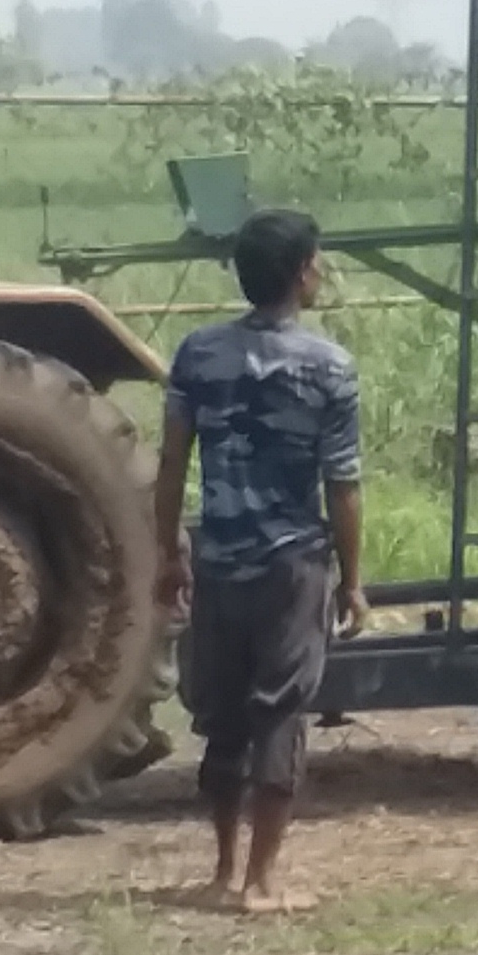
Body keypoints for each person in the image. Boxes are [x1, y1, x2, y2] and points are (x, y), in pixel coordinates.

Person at [153, 206, 365, 912]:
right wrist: (354, 583)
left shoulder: (197, 355)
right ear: (302, 273)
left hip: (218, 561)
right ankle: (263, 882)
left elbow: (172, 466)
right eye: (318, 262)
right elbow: (343, 485)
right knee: (279, 712)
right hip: (291, 564)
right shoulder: (329, 368)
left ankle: (220, 872)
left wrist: (169, 554)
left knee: (220, 716)